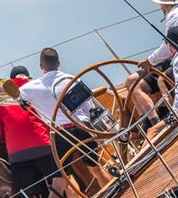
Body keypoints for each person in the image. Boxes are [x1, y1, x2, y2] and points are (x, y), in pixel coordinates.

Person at [0, 66, 74, 198]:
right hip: (43, 145)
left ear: (10, 80)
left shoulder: (0, 100)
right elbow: (50, 115)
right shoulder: (34, 89)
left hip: (17, 155)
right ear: (28, 76)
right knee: (65, 178)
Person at [20, 48, 113, 189]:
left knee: (59, 181)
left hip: (60, 135)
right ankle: (117, 193)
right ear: (59, 63)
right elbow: (88, 107)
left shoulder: (29, 88)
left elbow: (15, 95)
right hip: (82, 129)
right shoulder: (73, 79)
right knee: (97, 169)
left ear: (41, 67)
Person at [125, 0, 178, 131]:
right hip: (171, 58)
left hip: (176, 59)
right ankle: (149, 122)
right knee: (132, 81)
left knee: (134, 84)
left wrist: (150, 61)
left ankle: (155, 125)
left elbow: (169, 46)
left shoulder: (174, 15)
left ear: (161, 3)